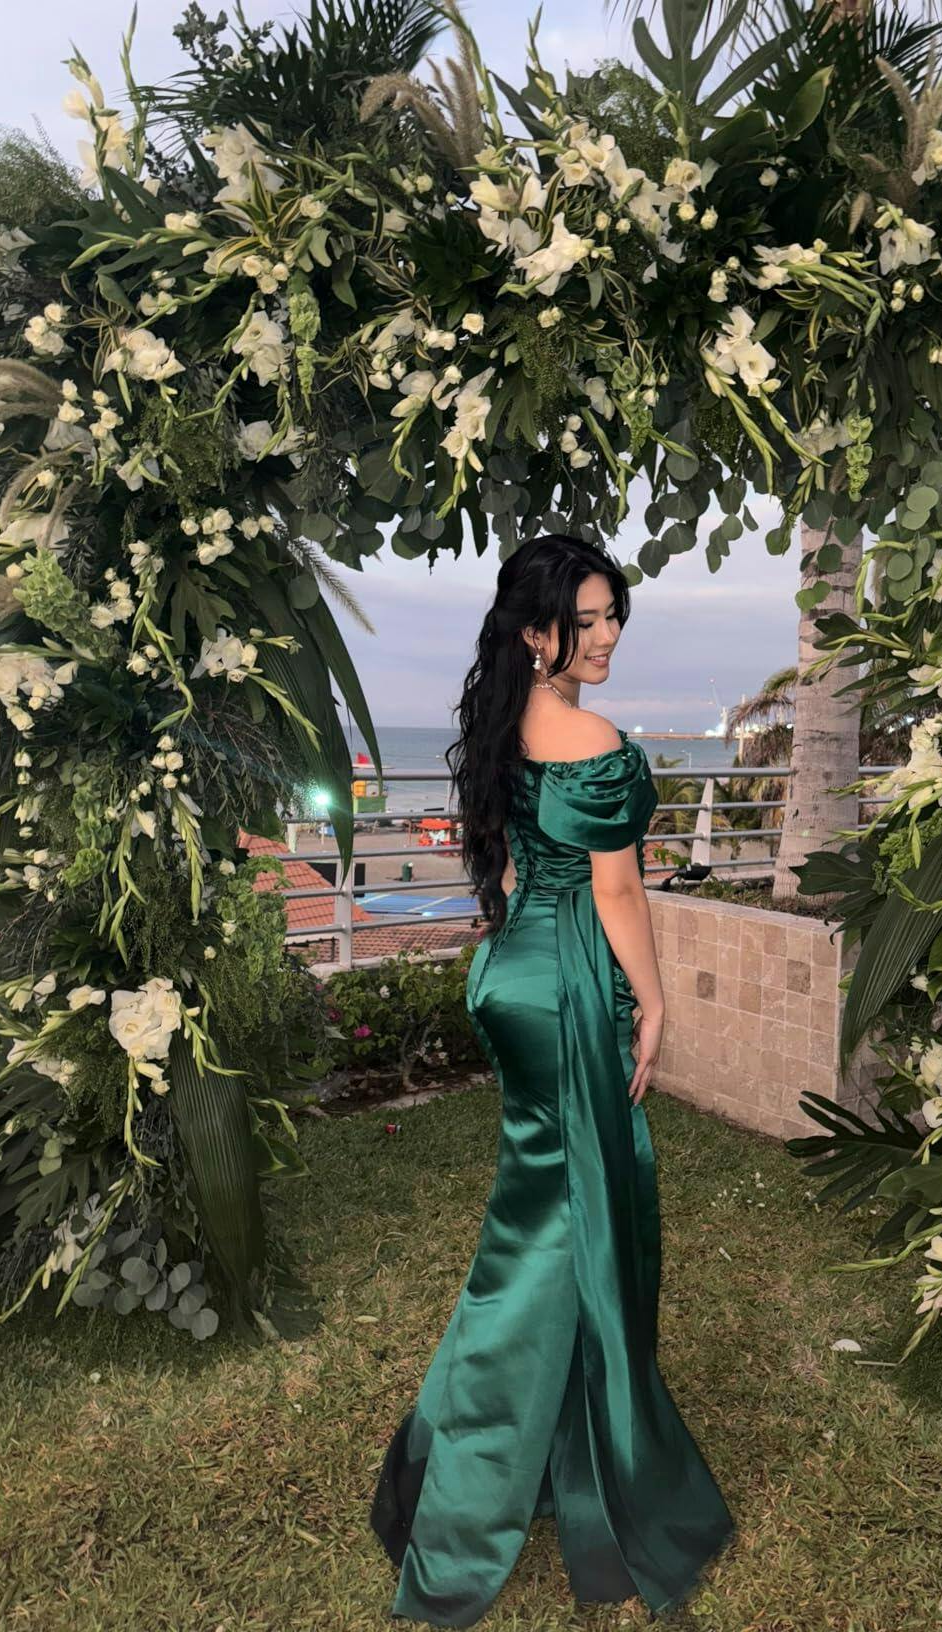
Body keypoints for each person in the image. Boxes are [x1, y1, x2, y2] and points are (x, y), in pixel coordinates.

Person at [369, 532, 735, 1625]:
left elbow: (528, 866)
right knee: (557, 1235)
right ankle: (467, 1491)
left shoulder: (507, 723)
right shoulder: (594, 739)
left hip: (514, 974)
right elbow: (617, 894)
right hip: (569, 987)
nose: (609, 635)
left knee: (554, 1219)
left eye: (614, 614)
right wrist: (653, 1003)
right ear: (537, 633)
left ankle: (536, 1449)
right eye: (587, 621)